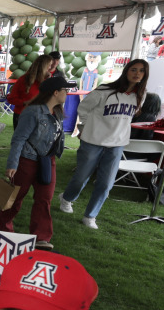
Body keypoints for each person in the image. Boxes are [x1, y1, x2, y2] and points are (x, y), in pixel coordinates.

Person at [58, 60, 148, 229]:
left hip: (117, 144)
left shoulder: (141, 95)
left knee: (106, 183)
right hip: (93, 140)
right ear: (126, 71)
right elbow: (83, 108)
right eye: (133, 69)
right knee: (81, 177)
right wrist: (82, 127)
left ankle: (90, 216)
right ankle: (67, 198)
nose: (137, 73)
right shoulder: (105, 90)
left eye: (141, 71)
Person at [1, 77, 69, 250]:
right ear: (55, 92)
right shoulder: (33, 111)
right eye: (65, 90)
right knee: (13, 197)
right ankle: (3, 228)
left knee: (44, 199)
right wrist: (12, 164)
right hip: (26, 160)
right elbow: (19, 138)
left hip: (47, 161)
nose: (67, 93)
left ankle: (41, 238)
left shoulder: (58, 112)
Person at [6, 54, 55, 127]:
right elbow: (11, 99)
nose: (50, 68)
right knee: (22, 138)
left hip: (41, 116)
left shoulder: (48, 80)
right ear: (43, 66)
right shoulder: (24, 80)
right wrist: (25, 102)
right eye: (49, 65)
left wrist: (48, 81)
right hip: (23, 115)